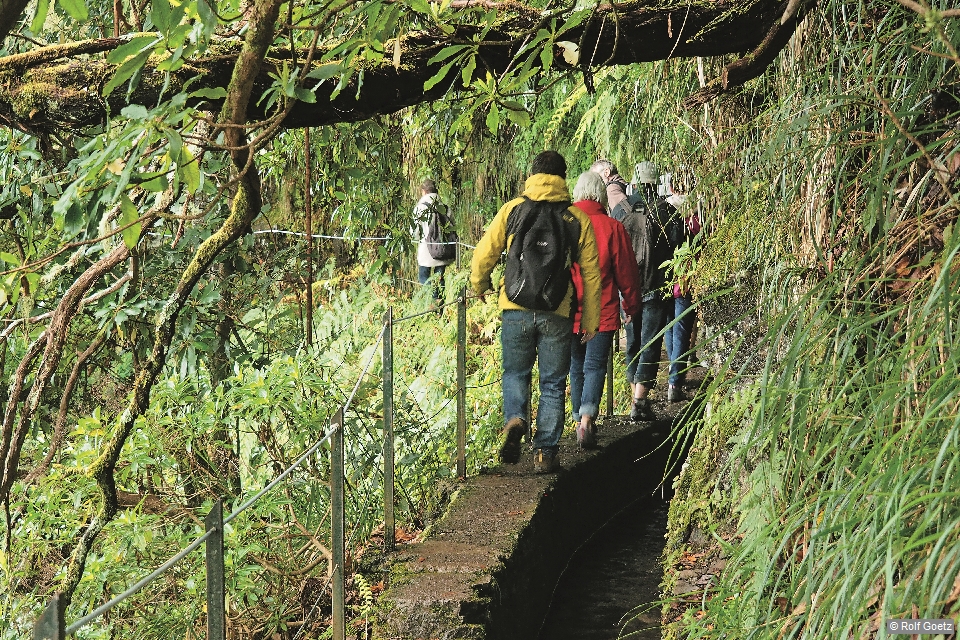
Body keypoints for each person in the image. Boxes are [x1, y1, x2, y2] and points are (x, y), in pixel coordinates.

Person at [471, 151, 602, 474]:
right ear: (563, 177)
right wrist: (591, 320)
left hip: (514, 307)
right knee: (554, 383)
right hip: (556, 311)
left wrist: (480, 285)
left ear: (532, 175)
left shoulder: (513, 210)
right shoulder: (576, 219)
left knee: (515, 373)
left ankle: (516, 418)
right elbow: (591, 273)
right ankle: (544, 453)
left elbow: (484, 253)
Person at [568, 171, 642, 448]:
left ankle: (578, 420)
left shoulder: (565, 225)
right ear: (601, 195)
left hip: (569, 311)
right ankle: (587, 420)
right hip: (602, 311)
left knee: (576, 366)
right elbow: (627, 273)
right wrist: (632, 306)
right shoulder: (612, 227)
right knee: (595, 365)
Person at [619, 161, 682, 421]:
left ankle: (637, 397)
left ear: (634, 182)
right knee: (650, 343)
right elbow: (678, 244)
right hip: (657, 287)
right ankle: (640, 401)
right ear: (656, 183)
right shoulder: (666, 211)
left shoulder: (620, 210)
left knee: (632, 342)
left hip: (628, 288)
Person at [663, 168, 702, 402]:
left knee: (669, 327)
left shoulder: (662, 214)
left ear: (671, 187)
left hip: (665, 280)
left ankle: (672, 373)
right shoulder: (695, 218)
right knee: (681, 331)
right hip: (686, 281)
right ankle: (674, 382)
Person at [412, 178, 454, 301]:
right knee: (439, 278)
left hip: (427, 251)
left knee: (423, 278)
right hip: (444, 250)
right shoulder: (446, 208)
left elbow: (414, 231)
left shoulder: (420, 208)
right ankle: (440, 305)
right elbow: (452, 227)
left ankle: (432, 301)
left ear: (424, 191)